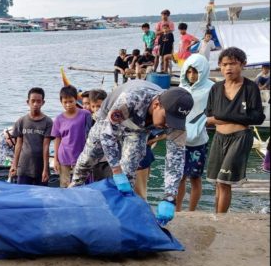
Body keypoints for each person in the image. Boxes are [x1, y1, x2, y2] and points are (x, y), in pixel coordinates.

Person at [70, 80, 194, 226]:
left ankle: (119, 216)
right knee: (87, 160)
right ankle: (72, 195)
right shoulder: (131, 99)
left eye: (174, 122)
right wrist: (116, 170)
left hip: (139, 130)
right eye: (167, 119)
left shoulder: (176, 122)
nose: (168, 125)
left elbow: (176, 158)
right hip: (109, 118)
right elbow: (107, 135)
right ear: (156, 105)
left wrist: (170, 196)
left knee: (128, 174)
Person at [206, 47, 266, 213]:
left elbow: (257, 117)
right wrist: (233, 115)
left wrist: (224, 117)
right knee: (217, 182)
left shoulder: (250, 88)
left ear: (243, 65)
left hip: (240, 138)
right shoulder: (216, 88)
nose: (228, 68)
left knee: (225, 182)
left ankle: (220, 219)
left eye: (233, 63)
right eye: (224, 64)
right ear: (220, 66)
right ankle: (216, 216)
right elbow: (209, 115)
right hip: (219, 138)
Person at [175, 54, 215, 211]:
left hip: (199, 140)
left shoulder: (211, 88)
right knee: (180, 177)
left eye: (196, 72)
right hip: (180, 138)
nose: (192, 75)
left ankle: (192, 210)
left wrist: (205, 122)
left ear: (203, 71)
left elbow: (214, 111)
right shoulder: (180, 88)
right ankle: (178, 209)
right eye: (189, 72)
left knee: (195, 177)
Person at [9, 87, 53, 185]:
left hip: (40, 167)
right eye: (33, 101)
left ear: (43, 102)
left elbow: (46, 146)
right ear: (28, 102)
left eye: (38, 101)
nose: (35, 104)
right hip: (23, 167)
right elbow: (18, 145)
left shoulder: (48, 122)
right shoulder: (21, 121)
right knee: (22, 195)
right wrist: (14, 165)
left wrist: (46, 169)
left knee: (41, 196)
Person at [51, 85, 92, 187]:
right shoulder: (59, 119)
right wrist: (55, 160)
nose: (68, 104)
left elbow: (91, 134)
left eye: (71, 101)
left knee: (82, 184)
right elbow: (57, 139)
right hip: (64, 157)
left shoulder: (85, 114)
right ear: (61, 102)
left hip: (82, 157)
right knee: (65, 185)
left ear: (76, 100)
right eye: (65, 102)